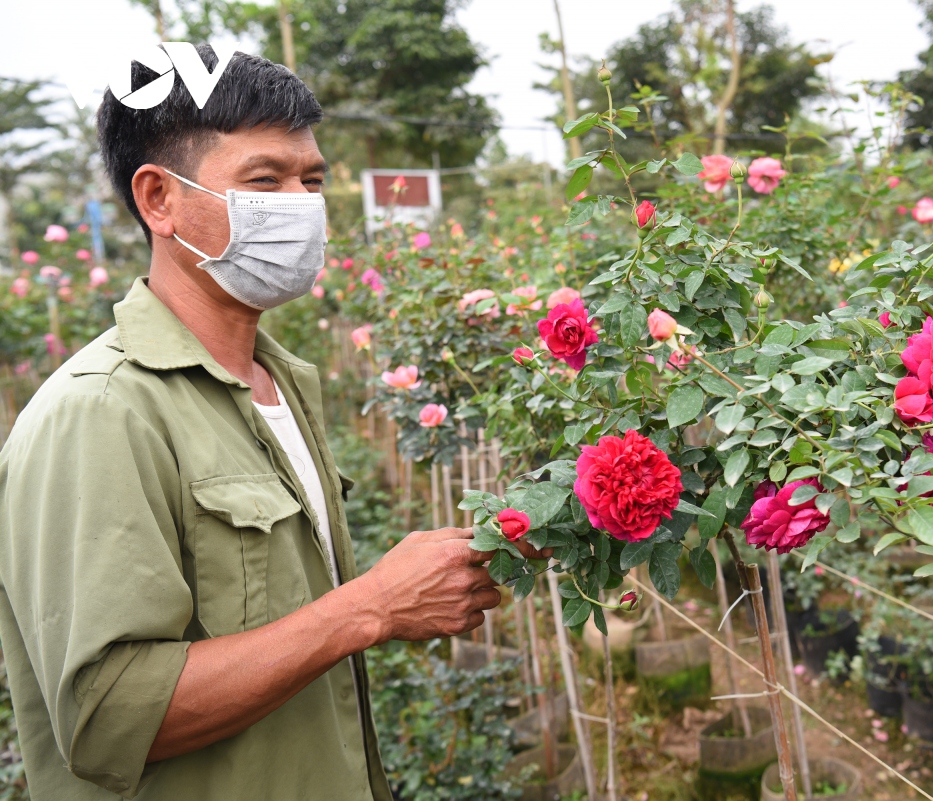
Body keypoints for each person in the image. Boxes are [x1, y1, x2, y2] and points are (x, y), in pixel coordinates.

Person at [0, 47, 542, 800]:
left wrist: (415, 587)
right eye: (264, 180)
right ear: (158, 198)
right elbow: (107, 713)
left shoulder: (276, 382)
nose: (301, 204)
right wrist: (372, 604)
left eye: (311, 180)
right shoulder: (101, 411)